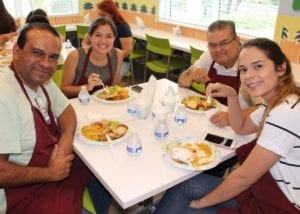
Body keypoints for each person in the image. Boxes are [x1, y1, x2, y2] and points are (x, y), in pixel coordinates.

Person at [155, 38, 300, 213]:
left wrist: (200, 204)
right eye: (244, 70)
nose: (249, 75)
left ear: (281, 68)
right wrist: (232, 96)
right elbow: (241, 128)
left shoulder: (286, 112)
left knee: (184, 192)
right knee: (184, 186)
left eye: (258, 66)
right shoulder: (274, 103)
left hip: (278, 204)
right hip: (264, 190)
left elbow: (244, 177)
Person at [0, 22, 92, 213]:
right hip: (21, 194)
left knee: (96, 166)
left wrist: (64, 145)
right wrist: (50, 173)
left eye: (53, 57)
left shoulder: (41, 81)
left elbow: (67, 113)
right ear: (16, 51)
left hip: (50, 169)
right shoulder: (5, 97)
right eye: (37, 53)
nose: (46, 64)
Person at [178, 20, 261, 128]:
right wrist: (192, 72)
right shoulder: (209, 56)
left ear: (237, 40)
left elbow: (265, 108)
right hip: (211, 120)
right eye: (212, 45)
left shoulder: (250, 64)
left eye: (224, 43)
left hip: (242, 127)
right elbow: (181, 82)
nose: (218, 50)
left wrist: (231, 117)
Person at [61, 16, 123, 98]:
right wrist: (86, 87)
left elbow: (113, 86)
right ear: (90, 37)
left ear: (114, 38)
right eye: (98, 35)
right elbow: (64, 90)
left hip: (104, 104)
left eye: (108, 36)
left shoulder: (118, 54)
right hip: (79, 105)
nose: (103, 41)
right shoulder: (76, 56)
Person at [82, 0, 133, 77]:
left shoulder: (122, 27)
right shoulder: (97, 24)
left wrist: (108, 59)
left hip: (119, 61)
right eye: (99, 14)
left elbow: (127, 50)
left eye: (103, 15)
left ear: (112, 15)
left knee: (106, 78)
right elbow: (85, 42)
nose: (100, 17)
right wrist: (90, 54)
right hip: (97, 59)